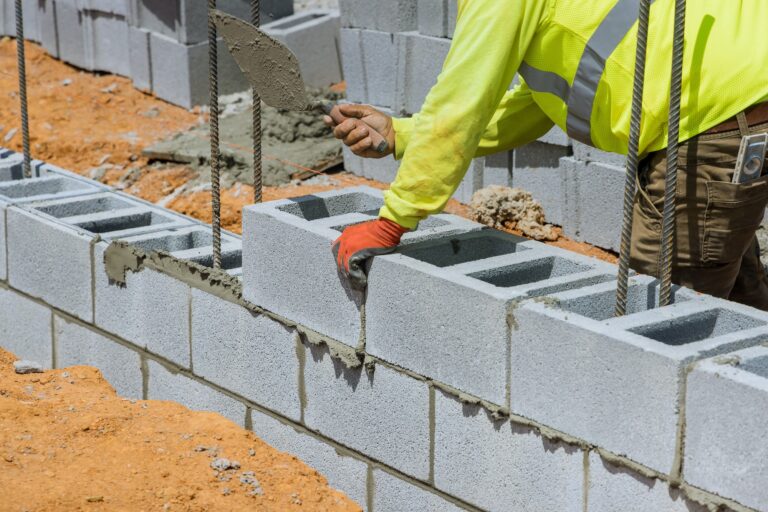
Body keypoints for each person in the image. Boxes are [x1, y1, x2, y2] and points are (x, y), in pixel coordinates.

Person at [326, 0, 768, 310]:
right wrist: (403, 134)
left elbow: (460, 106)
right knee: (736, 303)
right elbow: (536, 103)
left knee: (660, 319)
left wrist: (392, 222)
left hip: (715, 122)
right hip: (736, 100)